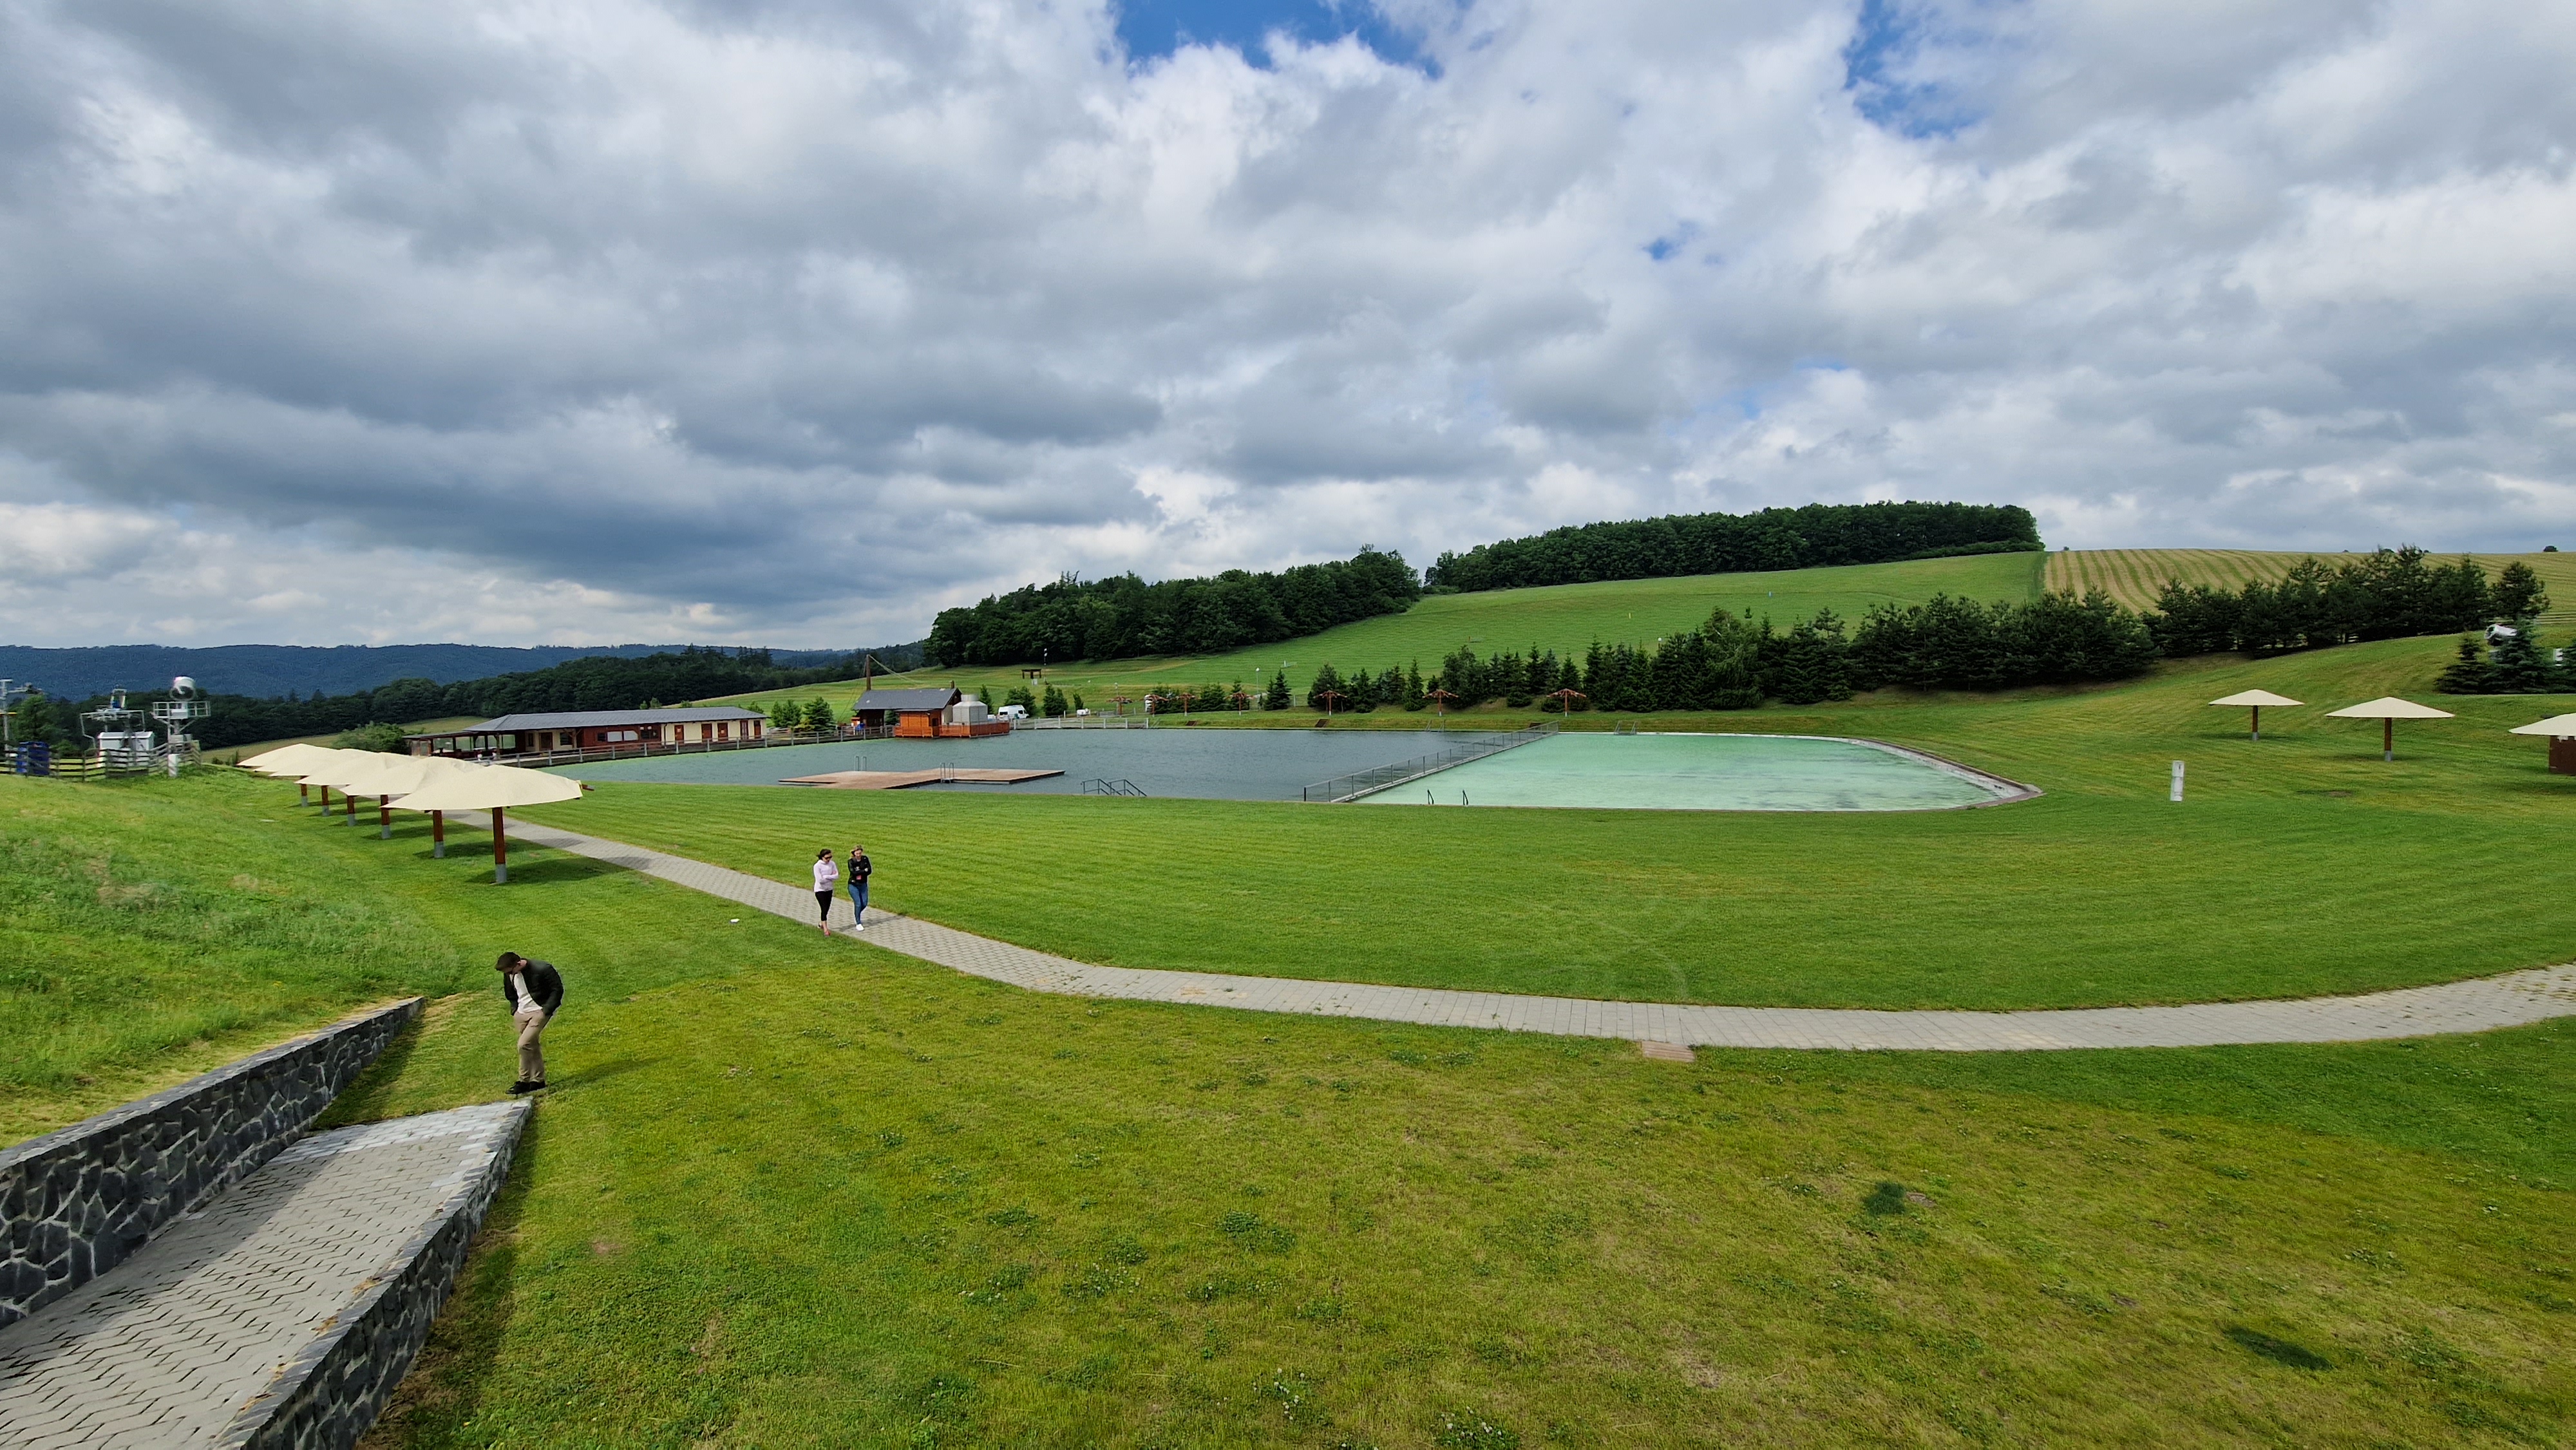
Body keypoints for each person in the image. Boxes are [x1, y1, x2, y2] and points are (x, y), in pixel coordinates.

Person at [495, 952, 563, 1094]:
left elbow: (557, 990)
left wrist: (546, 1010)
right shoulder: (510, 974)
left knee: (523, 1044)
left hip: (539, 1012)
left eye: (510, 972)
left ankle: (523, 1081)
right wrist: (515, 1010)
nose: (509, 975)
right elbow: (510, 994)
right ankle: (538, 1081)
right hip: (521, 1014)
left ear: (518, 964)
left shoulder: (543, 969)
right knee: (531, 1046)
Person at [811, 847, 838, 934]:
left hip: (829, 889)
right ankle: (826, 929)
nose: (829, 860)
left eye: (830, 857)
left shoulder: (832, 864)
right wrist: (830, 877)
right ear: (822, 857)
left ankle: (821, 923)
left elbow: (836, 876)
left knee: (827, 908)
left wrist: (826, 877)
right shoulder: (817, 866)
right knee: (824, 908)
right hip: (820, 890)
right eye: (827, 858)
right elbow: (820, 880)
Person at [846, 843, 872, 931]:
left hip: (863, 884)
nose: (859, 855)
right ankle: (858, 922)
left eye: (860, 853)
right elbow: (853, 872)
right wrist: (864, 870)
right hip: (853, 885)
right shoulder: (851, 861)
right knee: (858, 904)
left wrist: (861, 871)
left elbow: (869, 870)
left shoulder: (865, 859)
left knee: (864, 903)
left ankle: (857, 913)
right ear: (854, 853)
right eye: (857, 854)